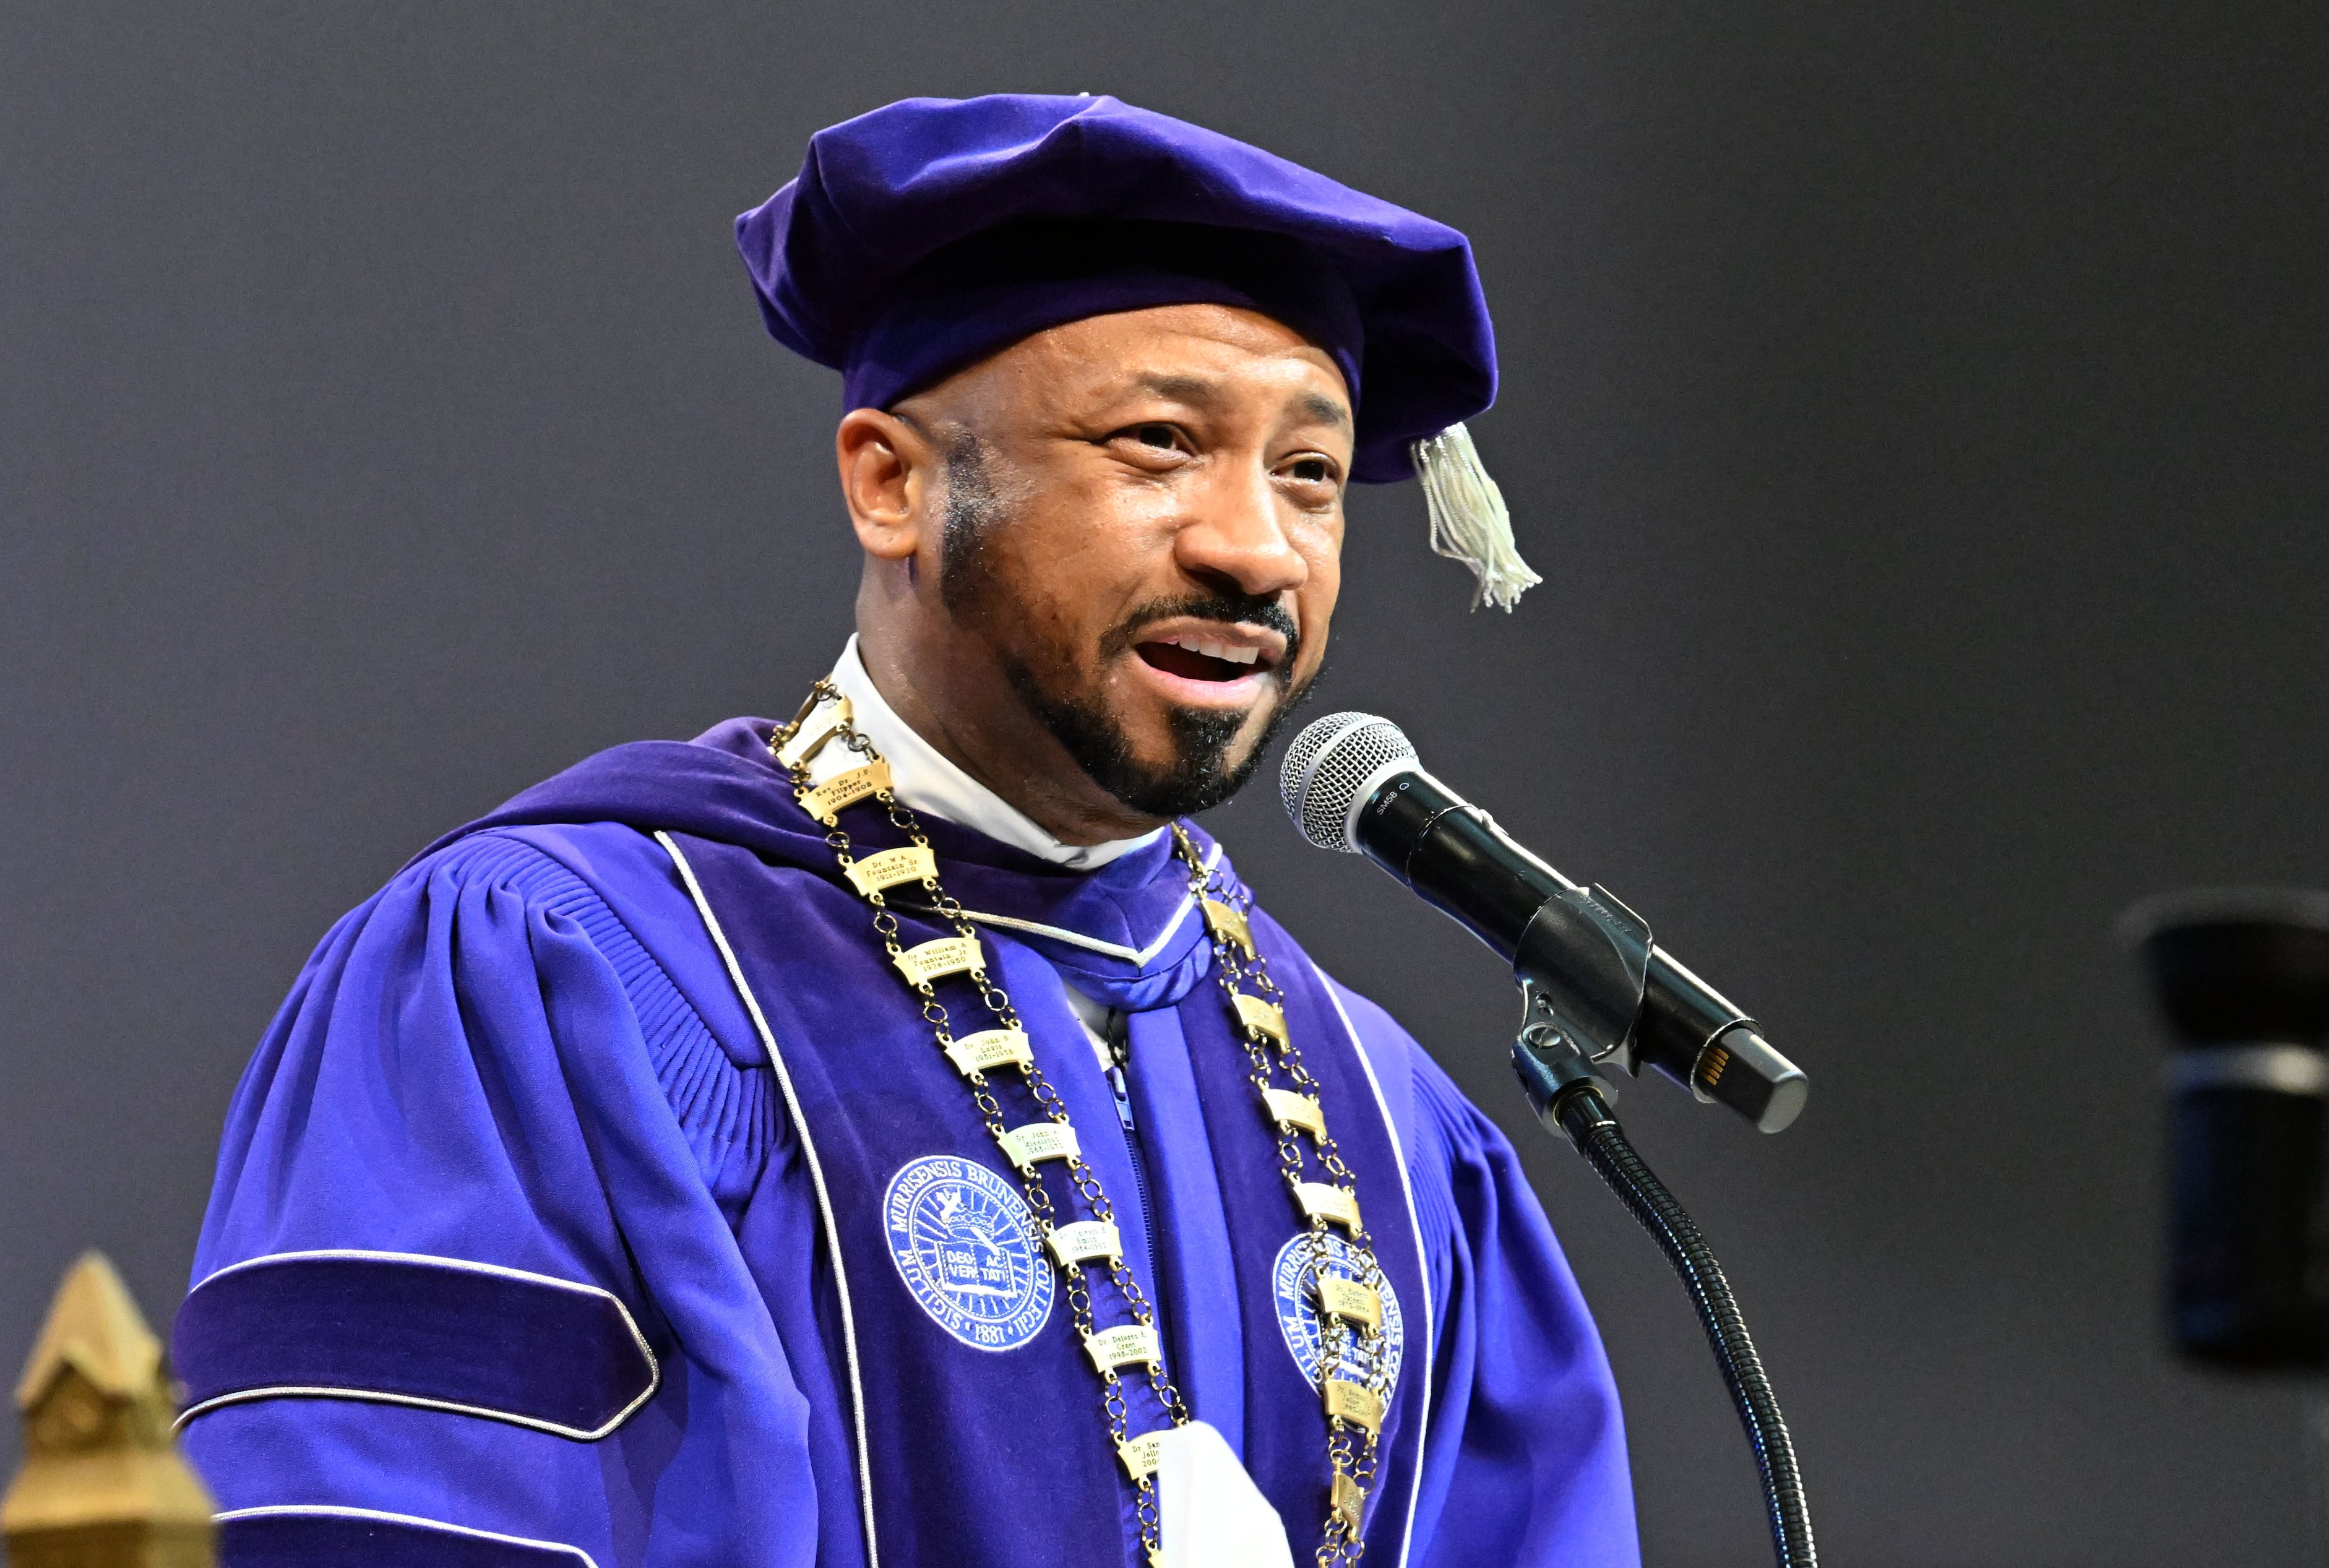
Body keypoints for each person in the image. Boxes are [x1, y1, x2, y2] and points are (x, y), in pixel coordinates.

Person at [172, 94, 1641, 1568]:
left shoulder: (1392, 1131)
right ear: (895, 482)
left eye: (1309, 474)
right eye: (1158, 443)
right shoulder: (558, 982)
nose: (1255, 547)